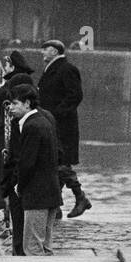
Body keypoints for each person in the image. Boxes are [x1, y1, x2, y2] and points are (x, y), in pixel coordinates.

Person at [0, 50, 36, 254]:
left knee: (11, 188)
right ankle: (16, 236)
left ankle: (18, 244)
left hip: (10, 149)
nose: (4, 68)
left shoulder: (15, 84)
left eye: (6, 64)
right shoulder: (21, 82)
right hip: (14, 151)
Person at [38, 39, 92, 218]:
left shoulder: (67, 69)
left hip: (62, 126)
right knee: (55, 163)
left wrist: (55, 114)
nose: (42, 53)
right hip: (53, 124)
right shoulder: (52, 69)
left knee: (59, 163)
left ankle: (80, 198)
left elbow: (75, 95)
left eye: (45, 50)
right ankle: (56, 207)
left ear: (54, 51)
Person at [9, 84, 60, 256]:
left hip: (37, 195)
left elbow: (27, 163)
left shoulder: (31, 126)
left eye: (15, 103)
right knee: (45, 247)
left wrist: (19, 186)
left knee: (32, 248)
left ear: (27, 104)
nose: (10, 108)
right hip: (50, 192)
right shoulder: (44, 121)